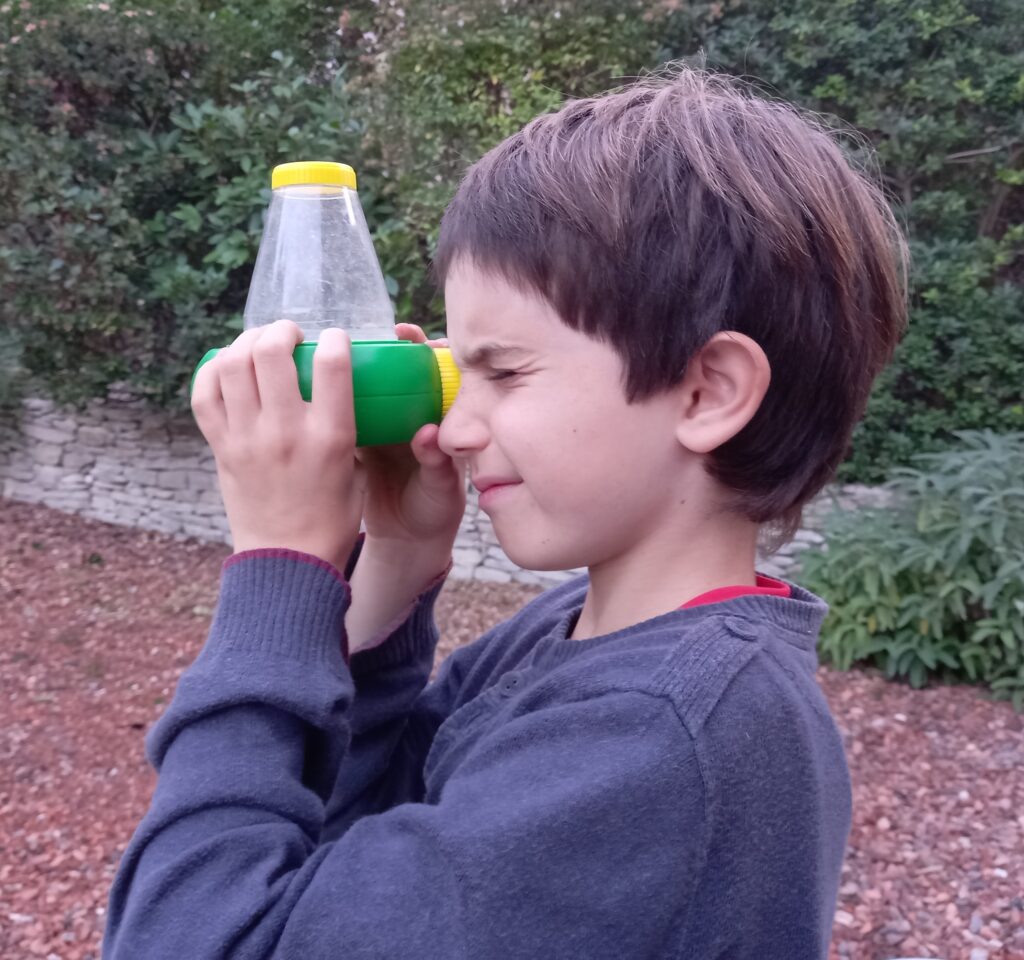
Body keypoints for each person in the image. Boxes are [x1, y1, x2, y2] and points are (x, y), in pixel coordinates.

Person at [102, 66, 907, 959]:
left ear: (706, 391)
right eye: (457, 370)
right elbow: (348, 837)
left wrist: (277, 575)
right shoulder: (582, 636)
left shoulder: (661, 733)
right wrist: (396, 562)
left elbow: (191, 936)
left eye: (505, 371)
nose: (453, 422)